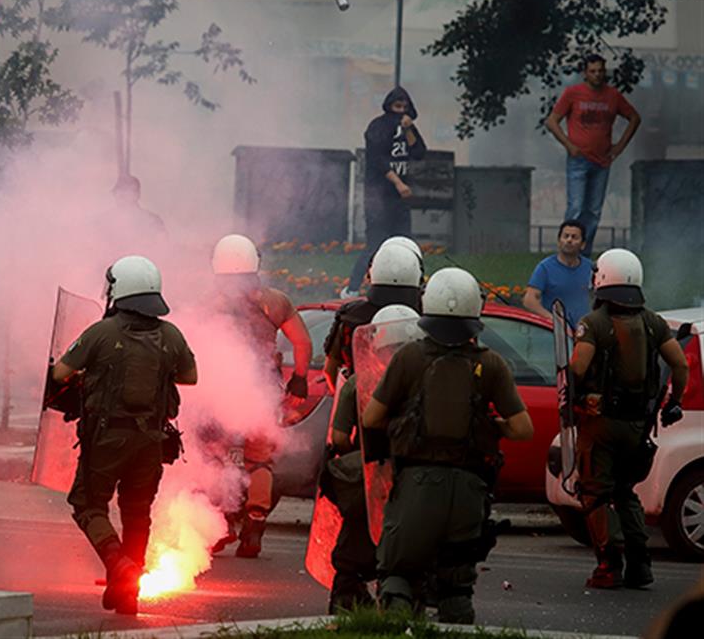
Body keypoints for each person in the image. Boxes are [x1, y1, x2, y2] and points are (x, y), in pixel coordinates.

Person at [363, 268, 534, 623]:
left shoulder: (409, 357)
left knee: (398, 576)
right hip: (470, 491)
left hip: (417, 487)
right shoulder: (491, 364)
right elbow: (522, 429)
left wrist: (403, 423)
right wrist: (492, 426)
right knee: (456, 590)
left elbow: (370, 418)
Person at [51, 256, 197, 615]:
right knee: (137, 512)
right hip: (150, 442)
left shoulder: (102, 333)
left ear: (119, 291)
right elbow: (189, 377)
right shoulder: (171, 334)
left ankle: (119, 566)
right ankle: (127, 594)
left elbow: (60, 374)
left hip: (106, 440)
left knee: (87, 505)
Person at [570, 248, 688, 589]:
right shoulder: (653, 322)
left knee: (594, 493)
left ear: (603, 278)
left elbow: (577, 368)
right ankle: (640, 565)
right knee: (625, 491)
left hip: (601, 423)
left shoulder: (594, 323)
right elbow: (679, 365)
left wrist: (576, 395)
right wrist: (674, 403)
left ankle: (609, 565)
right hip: (639, 425)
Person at [209, 233, 312, 558]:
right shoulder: (275, 301)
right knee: (258, 460)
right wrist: (298, 379)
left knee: (215, 456)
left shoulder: (210, 303)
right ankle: (254, 526)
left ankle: (221, 522)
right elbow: (303, 343)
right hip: (263, 390)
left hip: (221, 390)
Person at [321, 304, 421, 613]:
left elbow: (338, 437)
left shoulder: (358, 382)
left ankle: (348, 603)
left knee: (352, 553)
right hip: (415, 481)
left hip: (369, 482)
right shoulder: (425, 379)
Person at [546, 54, 641, 257]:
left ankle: (583, 254)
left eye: (600, 71)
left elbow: (634, 118)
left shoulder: (612, 96)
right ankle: (565, 251)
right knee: (576, 208)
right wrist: (568, 144)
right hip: (578, 158)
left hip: (602, 160)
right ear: (585, 74)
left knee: (594, 211)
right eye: (593, 71)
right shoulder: (573, 93)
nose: (597, 75)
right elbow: (552, 121)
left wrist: (619, 147)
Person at [345, 87, 427, 296]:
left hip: (399, 200)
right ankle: (352, 289)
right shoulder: (378, 126)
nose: (400, 111)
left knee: (406, 244)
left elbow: (418, 153)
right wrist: (398, 183)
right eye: (396, 106)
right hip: (378, 196)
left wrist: (408, 129)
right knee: (375, 243)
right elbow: (377, 160)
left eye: (404, 107)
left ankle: (414, 287)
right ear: (389, 106)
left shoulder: (408, 128)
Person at [323, 239, 423, 392]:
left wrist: (348, 405)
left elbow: (330, 370)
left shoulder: (349, 316)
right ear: (419, 274)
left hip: (361, 405)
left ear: (372, 272)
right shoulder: (430, 319)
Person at [523, 219, 593, 330]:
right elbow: (529, 300)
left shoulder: (590, 268)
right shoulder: (545, 268)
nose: (569, 240)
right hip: (554, 333)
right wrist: (553, 320)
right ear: (559, 241)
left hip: (584, 332)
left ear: (583, 244)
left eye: (574, 237)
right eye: (566, 236)